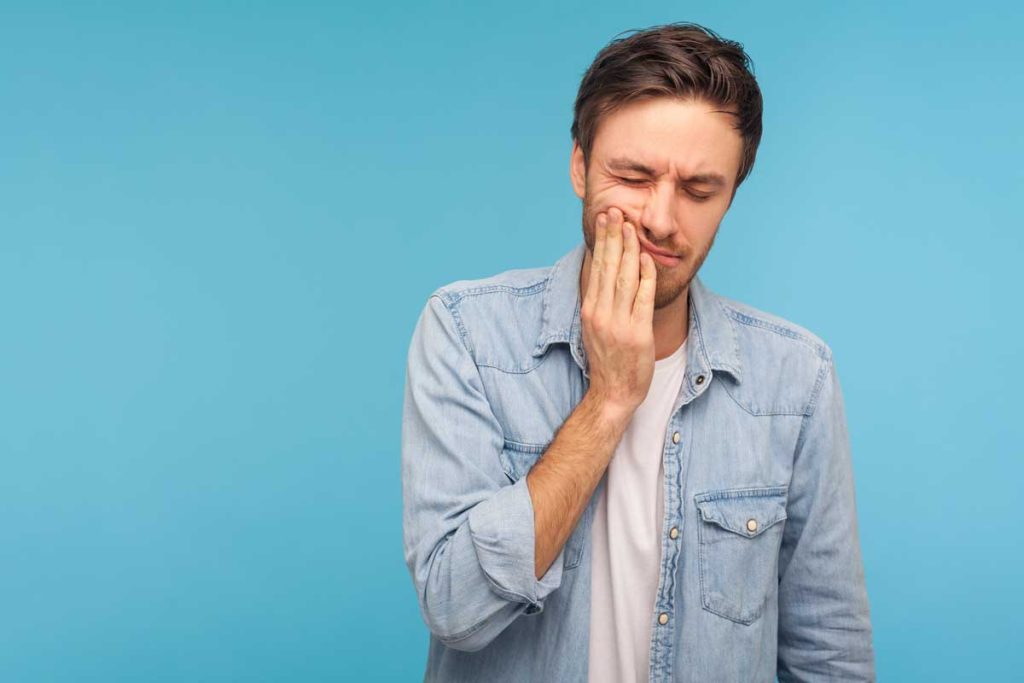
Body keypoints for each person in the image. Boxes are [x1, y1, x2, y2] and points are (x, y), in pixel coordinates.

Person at [401, 21, 875, 682]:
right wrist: (611, 398)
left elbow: (829, 652)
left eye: (699, 189)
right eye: (633, 175)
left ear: (732, 194)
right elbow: (455, 606)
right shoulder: (467, 333)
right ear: (579, 166)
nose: (659, 217)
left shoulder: (797, 379)